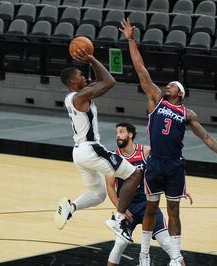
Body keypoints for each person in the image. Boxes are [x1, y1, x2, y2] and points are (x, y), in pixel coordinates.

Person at [117, 19, 217, 266]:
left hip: (174, 165)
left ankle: (175, 256)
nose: (168, 85)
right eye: (168, 84)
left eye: (172, 85)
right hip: (154, 163)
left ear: (180, 93)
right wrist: (131, 40)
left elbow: (206, 137)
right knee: (151, 209)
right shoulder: (156, 100)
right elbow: (140, 68)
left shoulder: (187, 113)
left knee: (174, 211)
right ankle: (144, 254)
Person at [54, 48, 142, 243]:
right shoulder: (80, 96)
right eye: (80, 75)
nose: (84, 76)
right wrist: (92, 58)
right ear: (72, 83)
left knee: (97, 194)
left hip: (78, 153)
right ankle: (118, 219)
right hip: (90, 148)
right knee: (135, 174)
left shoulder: (74, 96)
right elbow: (110, 81)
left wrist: (91, 62)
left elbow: (100, 82)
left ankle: (71, 207)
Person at [106, 122, 193, 266]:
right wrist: (120, 209)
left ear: (130, 134)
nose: (118, 135)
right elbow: (110, 187)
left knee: (167, 244)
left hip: (148, 205)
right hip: (128, 209)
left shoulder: (145, 151)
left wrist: (178, 188)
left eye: (121, 132)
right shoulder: (114, 158)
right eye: (116, 133)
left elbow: (163, 170)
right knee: (119, 245)